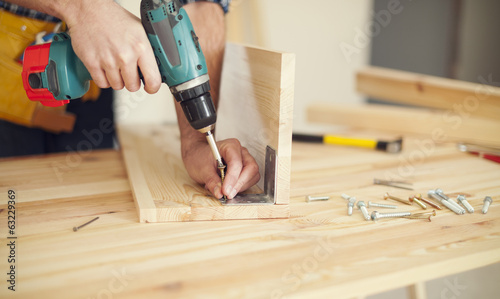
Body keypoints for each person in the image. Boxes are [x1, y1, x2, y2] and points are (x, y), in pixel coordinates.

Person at [0, 0, 260, 200]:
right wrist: (85, 9)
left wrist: (196, 141)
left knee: (85, 204)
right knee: (15, 213)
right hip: (10, 69)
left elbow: (200, 4)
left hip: (90, 77)